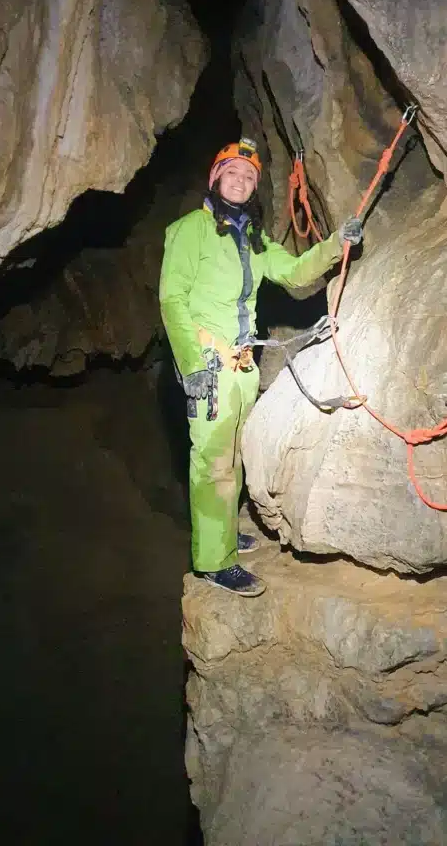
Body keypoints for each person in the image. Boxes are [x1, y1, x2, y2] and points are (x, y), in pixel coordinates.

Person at [159, 137, 362, 597]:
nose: (241, 180)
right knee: (211, 463)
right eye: (232, 172)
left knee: (233, 457)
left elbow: (293, 271)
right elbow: (172, 299)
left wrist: (334, 245)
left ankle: (224, 531)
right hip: (209, 364)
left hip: (243, 366)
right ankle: (213, 561)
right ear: (215, 178)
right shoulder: (188, 229)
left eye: (249, 177)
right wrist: (191, 365)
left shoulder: (251, 237)